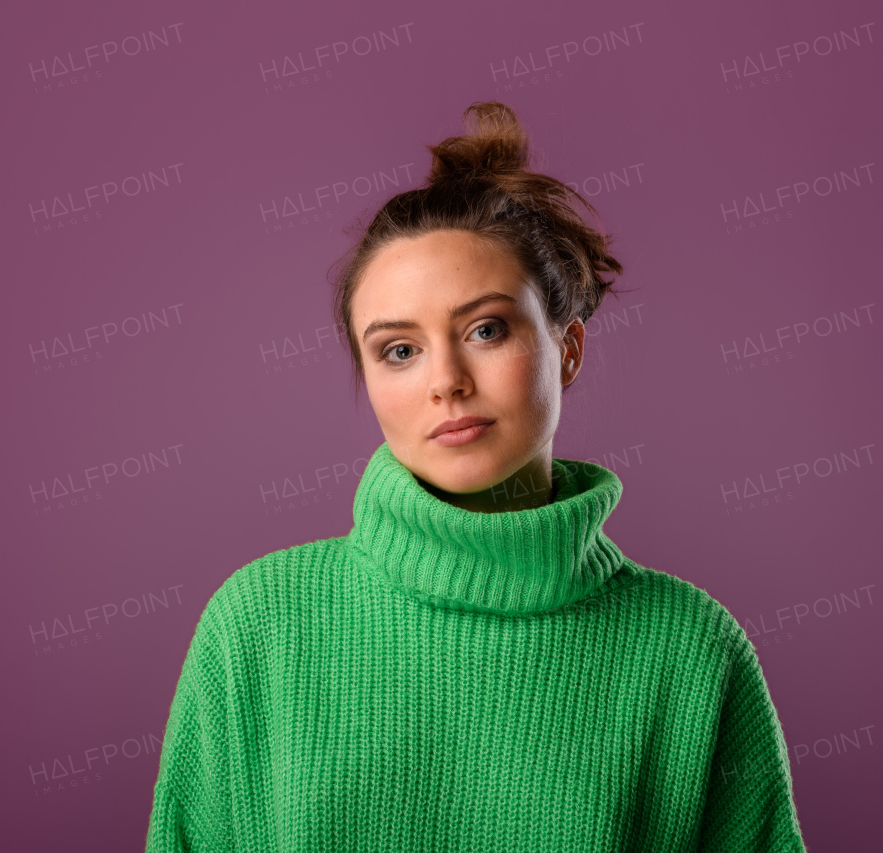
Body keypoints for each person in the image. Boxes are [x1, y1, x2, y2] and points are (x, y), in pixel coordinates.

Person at [145, 101, 808, 852]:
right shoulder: (257, 626)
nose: (446, 381)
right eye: (399, 350)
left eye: (485, 330)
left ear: (569, 347)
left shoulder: (689, 645)